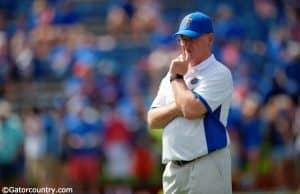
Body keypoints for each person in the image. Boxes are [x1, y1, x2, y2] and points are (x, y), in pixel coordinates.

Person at [147, 11, 233, 194]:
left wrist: (177, 78)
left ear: (210, 39)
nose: (185, 44)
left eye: (192, 38)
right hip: (173, 168)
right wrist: (179, 106)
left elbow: (192, 109)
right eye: (182, 38)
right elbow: (153, 119)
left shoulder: (218, 73)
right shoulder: (170, 77)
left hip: (206, 164)